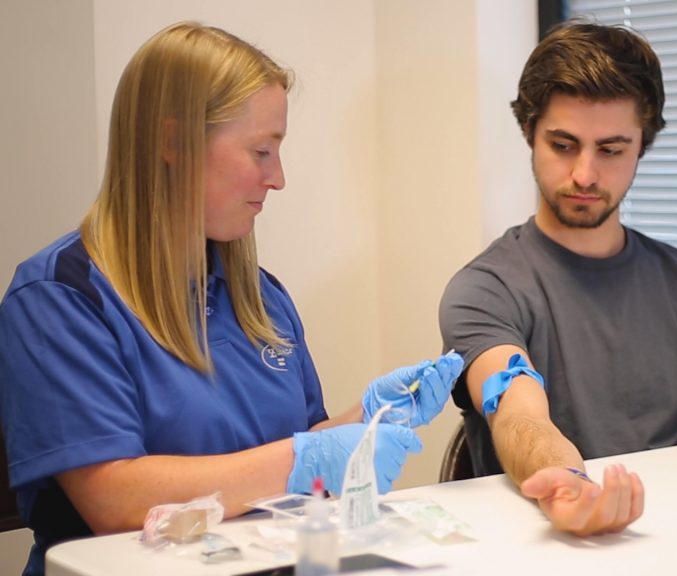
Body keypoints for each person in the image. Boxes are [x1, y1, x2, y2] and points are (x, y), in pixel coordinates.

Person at [0, 22, 462, 576]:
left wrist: (363, 421)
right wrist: (305, 458)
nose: (278, 178)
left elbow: (289, 455)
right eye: (261, 151)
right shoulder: (60, 299)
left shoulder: (260, 298)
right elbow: (114, 499)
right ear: (172, 143)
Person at [438, 21, 677, 537]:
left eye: (610, 150)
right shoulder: (485, 291)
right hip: (539, 547)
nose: (585, 174)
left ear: (642, 146)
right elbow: (518, 414)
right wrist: (566, 483)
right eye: (563, 145)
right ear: (530, 133)